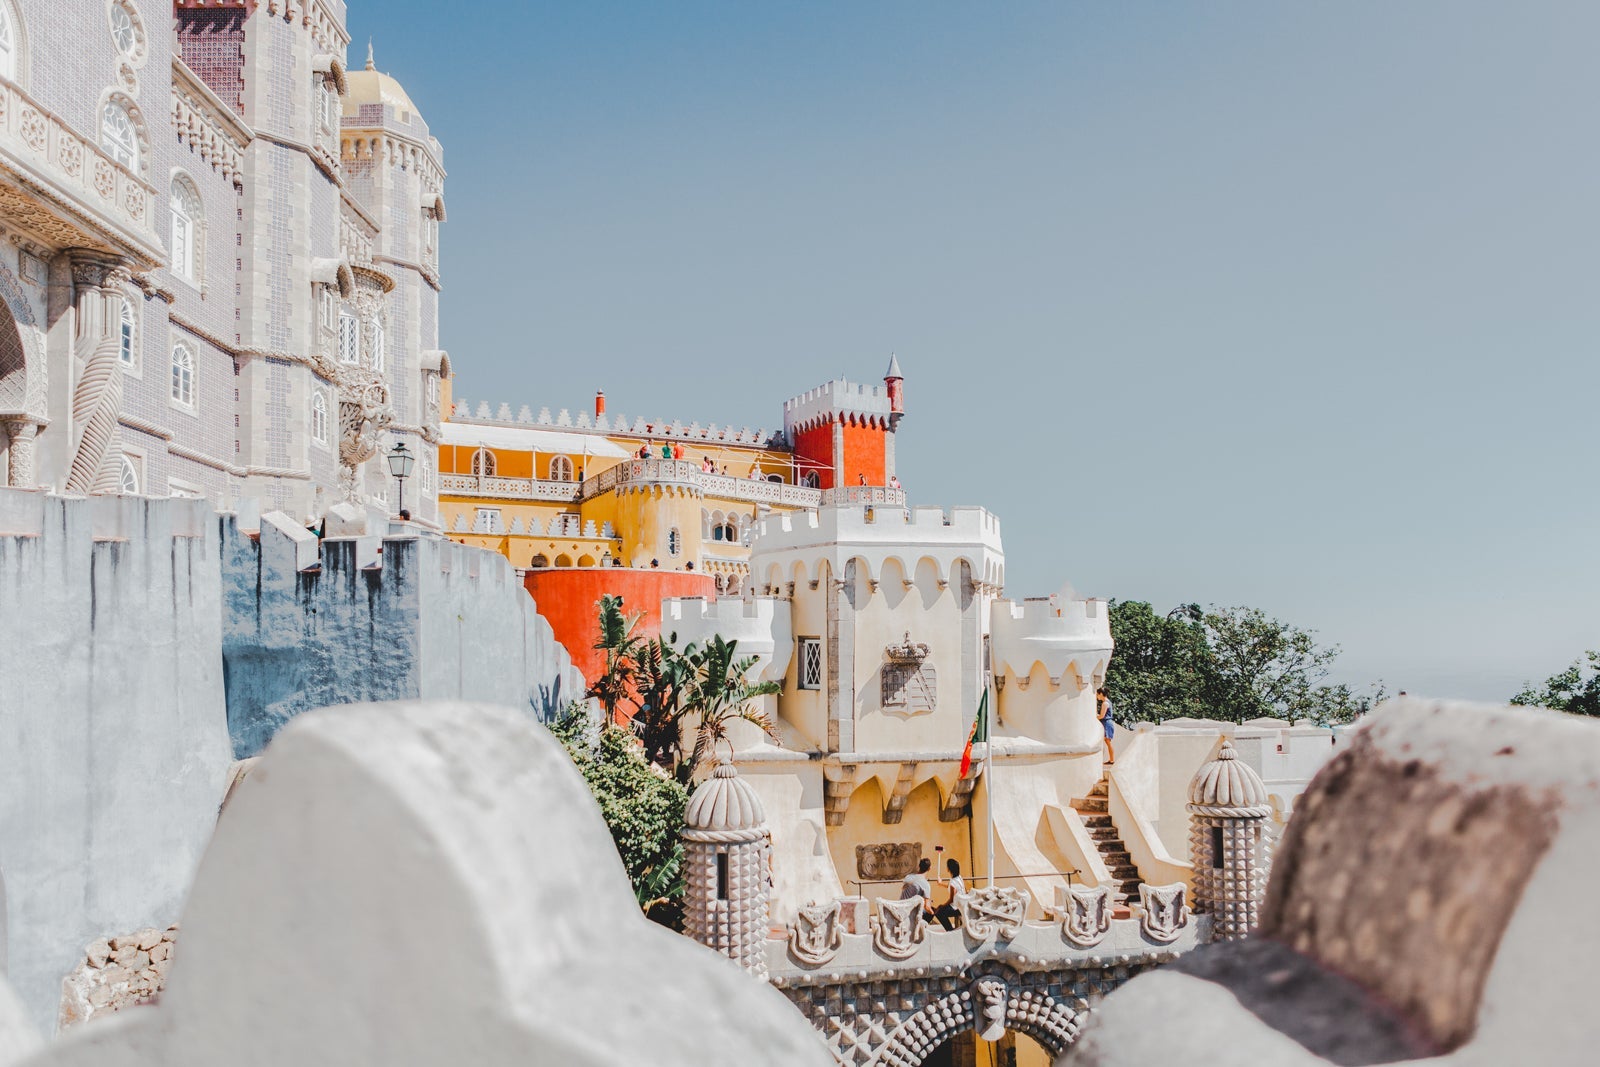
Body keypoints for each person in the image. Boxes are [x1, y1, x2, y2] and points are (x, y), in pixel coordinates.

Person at [933, 857, 965, 931]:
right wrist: (941, 884)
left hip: (956, 908)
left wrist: (942, 906)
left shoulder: (953, 882)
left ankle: (950, 930)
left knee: (938, 912)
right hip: (961, 905)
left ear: (949, 869)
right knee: (940, 909)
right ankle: (950, 929)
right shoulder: (959, 878)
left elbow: (951, 900)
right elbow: (951, 887)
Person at [1097, 688, 1115, 764]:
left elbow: (1102, 716)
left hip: (1106, 723)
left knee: (1107, 742)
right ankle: (1111, 759)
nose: (1097, 696)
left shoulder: (1105, 703)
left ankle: (1112, 760)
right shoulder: (1108, 702)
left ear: (1101, 694)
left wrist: (1093, 717)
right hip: (1107, 723)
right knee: (1107, 742)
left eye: (1097, 694)